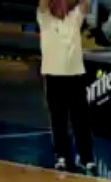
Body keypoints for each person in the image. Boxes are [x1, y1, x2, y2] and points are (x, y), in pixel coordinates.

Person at [37, 0, 96, 173]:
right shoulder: (45, 18)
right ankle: (61, 155)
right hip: (53, 75)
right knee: (58, 119)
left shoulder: (75, 16)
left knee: (81, 120)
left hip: (75, 75)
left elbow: (85, 4)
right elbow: (42, 3)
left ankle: (87, 158)